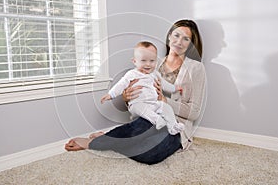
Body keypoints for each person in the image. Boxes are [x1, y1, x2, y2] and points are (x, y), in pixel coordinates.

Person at [65, 19, 206, 165]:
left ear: (191, 43)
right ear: (169, 36)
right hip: (149, 119)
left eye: (186, 38)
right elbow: (139, 99)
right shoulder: (151, 62)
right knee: (138, 128)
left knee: (150, 155)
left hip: (174, 126)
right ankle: (95, 143)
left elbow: (194, 112)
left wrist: (165, 101)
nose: (179, 41)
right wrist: (126, 97)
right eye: (176, 35)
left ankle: (109, 140)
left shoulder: (196, 68)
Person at [101, 41, 184, 135]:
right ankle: (157, 120)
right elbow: (121, 85)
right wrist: (110, 94)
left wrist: (175, 88)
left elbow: (164, 85)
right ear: (135, 61)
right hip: (137, 104)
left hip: (152, 103)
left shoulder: (155, 74)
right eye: (143, 61)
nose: (148, 64)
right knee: (141, 109)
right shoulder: (132, 74)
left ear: (156, 61)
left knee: (166, 107)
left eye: (152, 61)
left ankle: (173, 126)